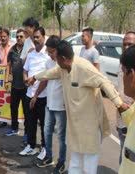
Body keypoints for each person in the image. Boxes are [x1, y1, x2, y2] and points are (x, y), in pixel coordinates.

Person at [27, 40, 128, 174]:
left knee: (89, 164)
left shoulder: (84, 68)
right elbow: (50, 73)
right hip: (75, 125)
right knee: (75, 162)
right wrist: (35, 77)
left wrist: (119, 104)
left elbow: (104, 82)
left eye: (56, 58)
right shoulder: (62, 68)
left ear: (63, 58)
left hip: (90, 126)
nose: (55, 61)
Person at [36, 35, 67, 174]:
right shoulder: (49, 62)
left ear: (58, 50)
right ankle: (49, 156)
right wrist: (36, 95)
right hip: (49, 104)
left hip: (61, 107)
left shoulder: (64, 64)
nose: (49, 54)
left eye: (51, 51)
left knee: (61, 136)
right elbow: (45, 80)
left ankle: (61, 163)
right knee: (47, 131)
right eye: (48, 52)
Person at [19, 27, 49, 159]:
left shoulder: (48, 55)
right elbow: (24, 69)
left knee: (43, 124)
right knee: (30, 123)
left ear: (43, 37)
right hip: (29, 94)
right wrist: (25, 78)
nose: (36, 40)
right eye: (34, 38)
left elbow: (47, 76)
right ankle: (31, 146)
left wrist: (36, 93)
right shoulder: (31, 54)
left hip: (42, 96)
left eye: (38, 37)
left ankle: (44, 147)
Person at [116, 31, 135, 164]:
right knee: (123, 154)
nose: (126, 47)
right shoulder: (122, 63)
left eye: (130, 44)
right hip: (123, 120)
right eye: (124, 44)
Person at [5, 29, 27, 136]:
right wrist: (6, 80)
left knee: (27, 111)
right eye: (17, 36)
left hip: (26, 86)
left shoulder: (28, 50)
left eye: (21, 36)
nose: (19, 38)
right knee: (13, 108)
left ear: (25, 37)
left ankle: (27, 132)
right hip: (15, 85)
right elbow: (8, 65)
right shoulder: (12, 50)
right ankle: (14, 128)